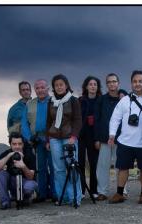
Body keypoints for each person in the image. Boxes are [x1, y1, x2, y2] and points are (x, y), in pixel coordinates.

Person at [108, 70, 142, 204]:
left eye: (140, 81)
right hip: (125, 141)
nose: (137, 84)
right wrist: (112, 134)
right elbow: (115, 118)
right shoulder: (124, 100)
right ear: (131, 84)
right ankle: (119, 193)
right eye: (134, 81)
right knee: (123, 168)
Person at [46, 74, 82, 206]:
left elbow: (78, 120)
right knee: (58, 169)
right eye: (56, 85)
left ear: (66, 85)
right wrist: (48, 140)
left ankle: (75, 197)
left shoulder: (73, 100)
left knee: (72, 168)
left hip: (69, 138)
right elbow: (49, 121)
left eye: (61, 84)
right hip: (54, 138)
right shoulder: (51, 101)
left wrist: (74, 136)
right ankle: (63, 196)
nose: (59, 87)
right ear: (54, 87)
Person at [21, 79, 55, 202]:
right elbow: (24, 123)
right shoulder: (29, 104)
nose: (40, 90)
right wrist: (30, 137)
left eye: (42, 87)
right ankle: (41, 194)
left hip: (52, 139)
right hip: (36, 140)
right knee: (40, 168)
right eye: (37, 88)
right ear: (34, 90)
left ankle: (55, 194)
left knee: (54, 166)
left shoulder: (54, 102)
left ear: (47, 88)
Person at [94, 73, 121, 201]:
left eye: (114, 81)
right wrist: (97, 139)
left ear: (118, 83)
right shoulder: (101, 100)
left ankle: (123, 191)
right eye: (109, 82)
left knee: (120, 166)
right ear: (107, 84)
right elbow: (97, 120)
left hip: (120, 138)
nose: (112, 84)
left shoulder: (124, 98)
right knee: (102, 166)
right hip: (104, 138)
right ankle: (102, 192)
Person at [0, 132, 37, 209]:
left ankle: (24, 198)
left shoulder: (29, 155)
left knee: (30, 185)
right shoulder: (6, 154)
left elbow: (31, 177)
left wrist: (23, 166)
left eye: (20, 144)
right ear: (10, 144)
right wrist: (9, 155)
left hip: (25, 182)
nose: (17, 147)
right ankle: (5, 202)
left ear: (23, 144)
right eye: (14, 144)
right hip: (12, 182)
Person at [78, 76, 102, 198]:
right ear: (86, 86)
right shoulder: (80, 100)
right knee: (80, 163)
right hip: (81, 135)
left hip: (95, 136)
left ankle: (93, 190)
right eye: (90, 84)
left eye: (95, 84)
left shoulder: (101, 100)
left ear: (98, 87)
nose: (93, 86)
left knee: (94, 164)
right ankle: (81, 190)